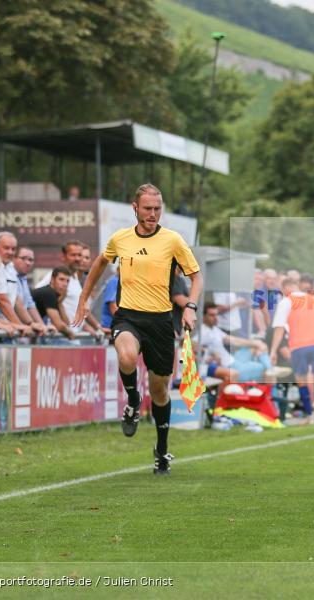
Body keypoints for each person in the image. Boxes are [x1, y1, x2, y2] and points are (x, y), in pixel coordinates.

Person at [73, 183, 204, 476]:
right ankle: (132, 399)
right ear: (135, 208)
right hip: (128, 316)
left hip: (160, 322)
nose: (153, 214)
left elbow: (196, 278)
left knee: (159, 391)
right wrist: (84, 298)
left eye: (157, 208)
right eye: (147, 208)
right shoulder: (121, 239)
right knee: (127, 357)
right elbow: (99, 262)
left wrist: (190, 308)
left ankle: (161, 451)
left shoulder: (173, 241)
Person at [270, 277, 314, 424]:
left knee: (301, 380)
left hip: (298, 345)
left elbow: (279, 328)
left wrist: (273, 350)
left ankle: (310, 413)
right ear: (297, 286)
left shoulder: (286, 301)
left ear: (285, 289)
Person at [198, 302, 280, 383]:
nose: (216, 318)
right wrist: (210, 357)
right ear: (204, 316)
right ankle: (270, 369)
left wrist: (256, 343)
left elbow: (234, 340)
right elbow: (195, 353)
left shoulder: (214, 329)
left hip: (232, 359)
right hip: (227, 366)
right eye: (212, 315)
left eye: (216, 315)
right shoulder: (202, 333)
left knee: (257, 347)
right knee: (265, 369)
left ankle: (270, 368)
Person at [37, 240, 102, 337]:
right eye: (73, 255)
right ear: (63, 257)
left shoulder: (75, 278)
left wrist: (96, 327)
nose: (77, 258)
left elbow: (77, 309)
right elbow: (36, 297)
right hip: (59, 336)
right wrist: (45, 323)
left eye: (79, 255)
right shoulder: (55, 276)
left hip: (74, 336)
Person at [0, 232, 35, 339]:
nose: (10, 252)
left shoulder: (10, 266)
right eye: (6, 248)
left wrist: (30, 323)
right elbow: (2, 300)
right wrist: (19, 325)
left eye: (13, 249)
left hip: (8, 328)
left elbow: (16, 300)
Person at [13, 246, 54, 337]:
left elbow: (30, 304)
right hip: (6, 329)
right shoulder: (9, 276)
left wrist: (42, 326)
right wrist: (31, 323)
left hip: (19, 330)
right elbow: (17, 302)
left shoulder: (23, 278)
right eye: (23, 258)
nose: (28, 263)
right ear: (14, 258)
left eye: (31, 260)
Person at [32, 267, 78, 341]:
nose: (65, 284)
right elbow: (59, 325)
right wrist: (70, 334)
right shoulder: (48, 293)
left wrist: (60, 303)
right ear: (52, 280)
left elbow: (66, 323)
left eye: (67, 281)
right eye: (61, 279)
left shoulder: (53, 295)